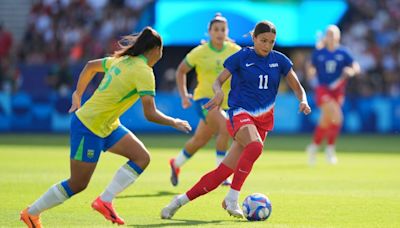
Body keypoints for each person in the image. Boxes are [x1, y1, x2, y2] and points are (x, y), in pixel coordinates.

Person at [20, 27, 192, 227]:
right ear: (155, 49)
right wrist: (174, 122)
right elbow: (150, 114)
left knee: (141, 157)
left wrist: (78, 93)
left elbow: (90, 66)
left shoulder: (122, 60)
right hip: (89, 126)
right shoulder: (145, 72)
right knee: (78, 183)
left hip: (108, 125)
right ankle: (31, 213)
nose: (161, 55)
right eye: (161, 50)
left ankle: (105, 200)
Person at [161, 20, 311, 219]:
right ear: (254, 38)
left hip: (263, 121)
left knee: (220, 174)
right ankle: (233, 197)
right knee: (256, 146)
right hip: (239, 113)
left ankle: (178, 201)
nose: (267, 45)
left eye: (272, 42)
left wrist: (303, 99)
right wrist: (217, 93)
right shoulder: (242, 56)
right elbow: (218, 81)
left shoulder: (280, 60)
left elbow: (297, 85)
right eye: (263, 40)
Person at [169, 13, 241, 186]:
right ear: (209, 32)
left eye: (223, 29)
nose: (219, 32)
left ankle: (176, 163)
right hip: (204, 99)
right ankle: (221, 173)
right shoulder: (200, 52)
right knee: (225, 127)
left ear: (227, 31)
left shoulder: (235, 51)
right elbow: (181, 71)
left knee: (199, 140)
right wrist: (184, 95)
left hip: (224, 103)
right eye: (216, 29)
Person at [305, 25, 360, 165]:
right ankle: (330, 149)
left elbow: (355, 67)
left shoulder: (344, 52)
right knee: (337, 117)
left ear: (338, 36)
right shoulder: (319, 52)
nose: (331, 36)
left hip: (338, 91)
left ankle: (314, 147)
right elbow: (310, 68)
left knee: (326, 120)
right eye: (329, 34)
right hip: (323, 89)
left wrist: (351, 71)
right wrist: (310, 73)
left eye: (333, 34)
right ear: (325, 36)